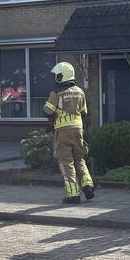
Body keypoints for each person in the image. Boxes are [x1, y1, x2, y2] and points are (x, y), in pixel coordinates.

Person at [44, 61, 95, 205]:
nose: (55, 78)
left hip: (62, 131)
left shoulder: (56, 93)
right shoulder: (80, 91)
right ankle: (88, 184)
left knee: (66, 162)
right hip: (78, 129)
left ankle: (73, 194)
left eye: (57, 75)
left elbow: (47, 111)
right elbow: (84, 112)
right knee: (79, 158)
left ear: (62, 76)